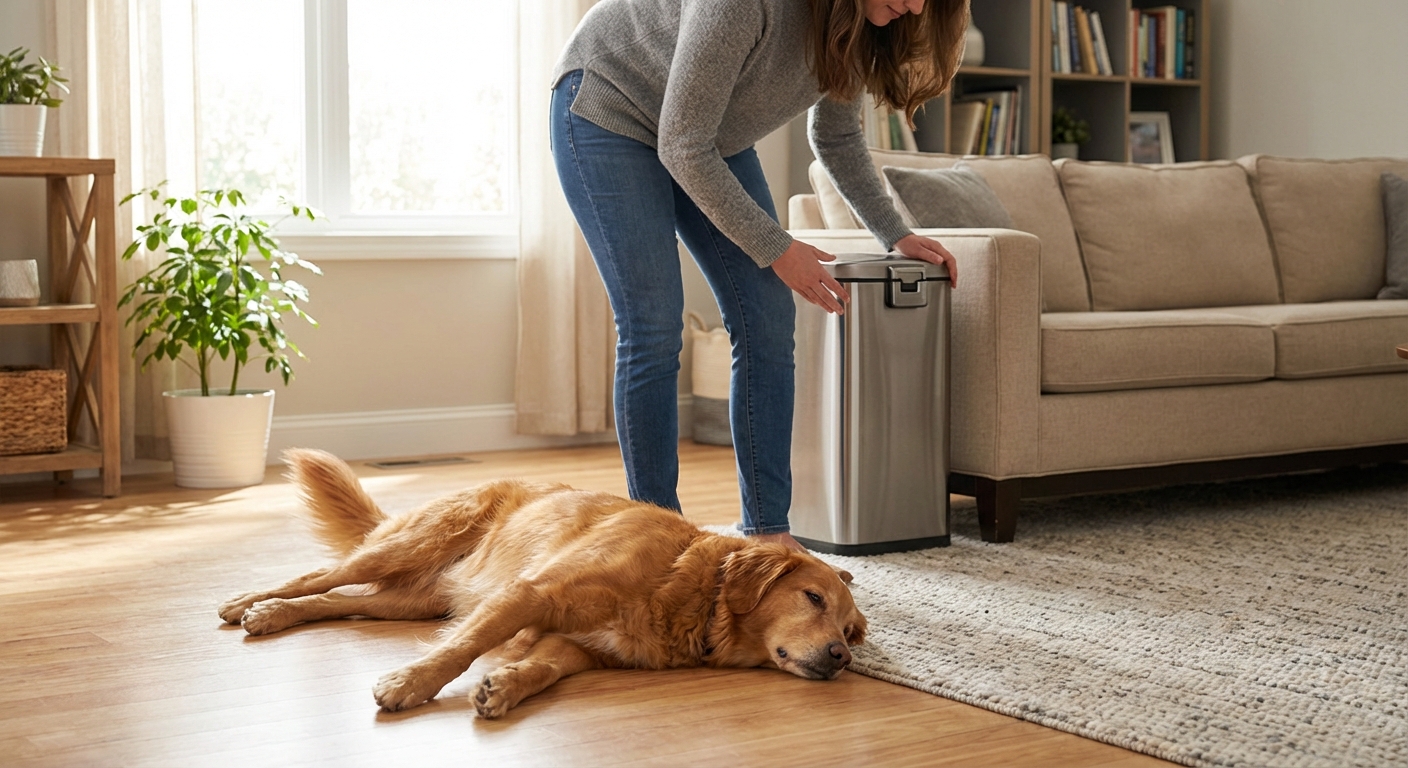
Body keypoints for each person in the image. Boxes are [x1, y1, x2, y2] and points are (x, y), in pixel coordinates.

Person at [550, 0, 967, 551]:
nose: (915, 6)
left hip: (706, 140)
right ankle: (658, 538)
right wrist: (777, 247)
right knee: (652, 323)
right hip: (610, 107)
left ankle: (769, 532)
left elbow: (837, 138)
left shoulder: (861, 23)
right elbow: (681, 143)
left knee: (768, 317)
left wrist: (895, 232)